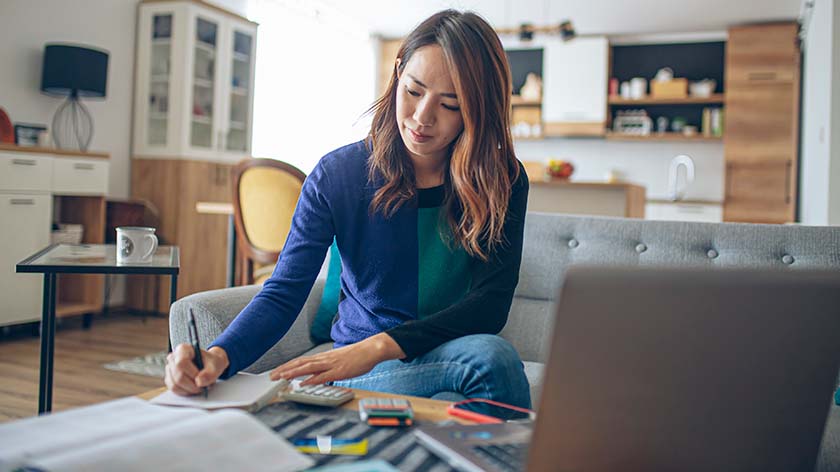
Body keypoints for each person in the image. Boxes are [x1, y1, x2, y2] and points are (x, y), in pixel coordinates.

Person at [165, 9, 532, 408]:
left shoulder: (502, 179)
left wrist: (378, 346)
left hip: (441, 352)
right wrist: (217, 357)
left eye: (451, 104)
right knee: (490, 363)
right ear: (397, 73)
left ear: (478, 110)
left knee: (489, 360)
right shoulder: (338, 175)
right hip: (363, 369)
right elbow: (284, 291)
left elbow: (491, 304)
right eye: (413, 91)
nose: (423, 118)